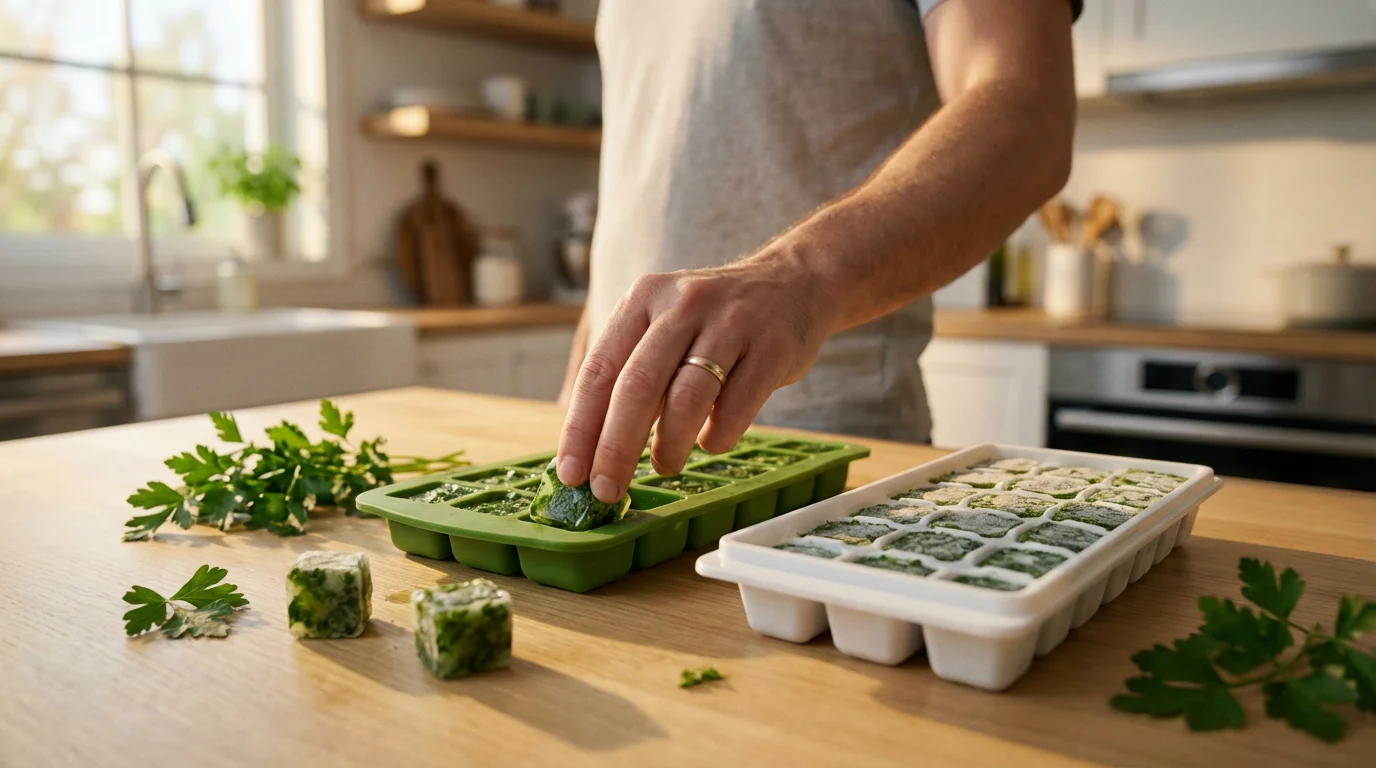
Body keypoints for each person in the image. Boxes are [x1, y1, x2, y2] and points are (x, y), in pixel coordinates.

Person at [556, 0, 1081, 504]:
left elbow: (1026, 111)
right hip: (619, 456)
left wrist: (796, 275)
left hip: (825, 464)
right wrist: (580, 387)